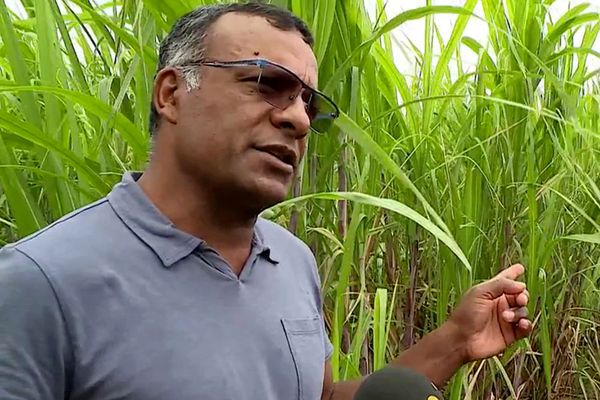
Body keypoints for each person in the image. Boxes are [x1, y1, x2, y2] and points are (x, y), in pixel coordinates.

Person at [0, 3, 532, 400]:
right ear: (171, 95)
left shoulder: (291, 259)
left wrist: (455, 340)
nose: (299, 119)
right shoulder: (39, 283)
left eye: (308, 101)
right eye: (265, 83)